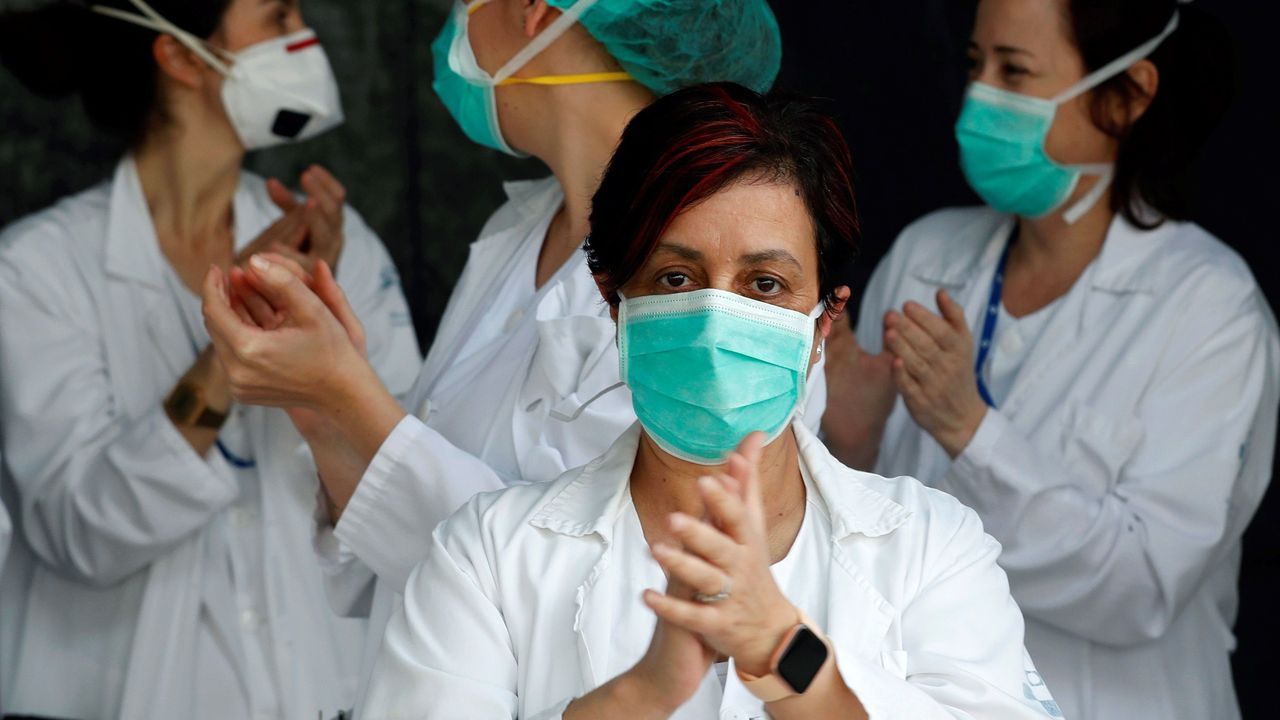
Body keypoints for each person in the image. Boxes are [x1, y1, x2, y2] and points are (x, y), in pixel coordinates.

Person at [361, 83, 1058, 720]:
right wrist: (649, 689)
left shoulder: (933, 548)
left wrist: (784, 652)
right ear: (613, 302)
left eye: (763, 285)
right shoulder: (487, 556)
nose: (716, 319)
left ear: (824, 320)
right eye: (674, 277)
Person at [201, 0, 807, 712]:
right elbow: (409, 543)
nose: (455, 24)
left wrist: (345, 396)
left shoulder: (704, 284)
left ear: (535, 11)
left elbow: (608, 586)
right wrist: (318, 403)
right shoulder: (524, 226)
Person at [823, 0, 1279, 718]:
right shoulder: (927, 255)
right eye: (977, 66)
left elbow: (1145, 587)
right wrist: (848, 444)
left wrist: (969, 432)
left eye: (1016, 71)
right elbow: (861, 547)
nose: (980, 98)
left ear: (1127, 97)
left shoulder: (1207, 307)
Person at [0, 1, 419, 718]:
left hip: (324, 697)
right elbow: (85, 531)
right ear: (184, 57)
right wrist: (233, 350)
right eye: (277, 16)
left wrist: (327, 360)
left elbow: (407, 499)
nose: (305, 39)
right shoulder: (34, 270)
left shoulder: (334, 252)